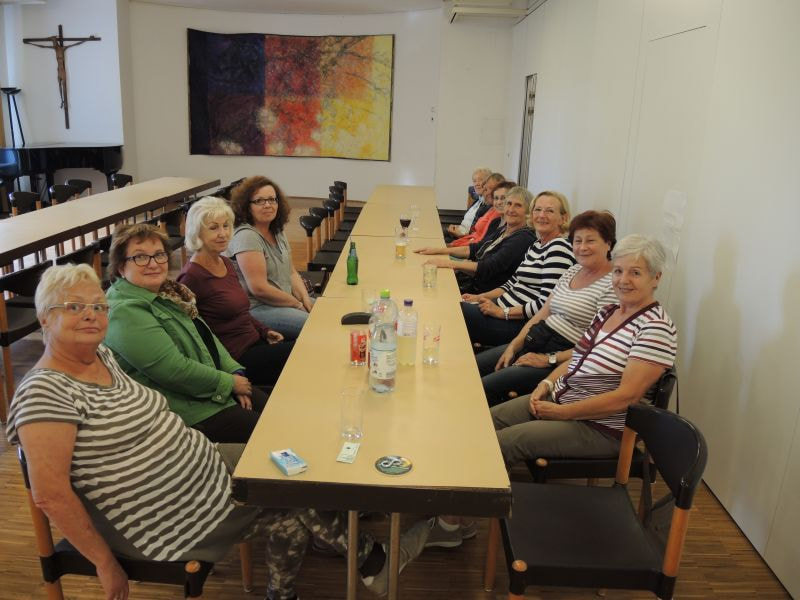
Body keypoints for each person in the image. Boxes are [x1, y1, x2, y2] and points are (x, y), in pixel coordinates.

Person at [5, 263, 430, 600]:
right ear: (44, 318)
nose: (91, 315)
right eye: (74, 307)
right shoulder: (45, 392)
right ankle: (373, 563)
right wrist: (103, 562)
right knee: (293, 496)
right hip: (165, 515)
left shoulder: (102, 357)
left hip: (202, 468)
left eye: (99, 306)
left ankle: (312, 573)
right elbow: (50, 494)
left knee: (302, 461)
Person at [491, 234, 677, 467]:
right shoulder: (607, 312)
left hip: (600, 428)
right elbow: (577, 358)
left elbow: (627, 397)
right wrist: (546, 384)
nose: (623, 280)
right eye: (618, 271)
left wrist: (563, 413)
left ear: (656, 277)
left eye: (635, 273)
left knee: (498, 444)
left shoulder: (655, 328)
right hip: (562, 400)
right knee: (483, 423)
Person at [104, 223, 264, 443]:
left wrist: (234, 373)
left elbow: (206, 337)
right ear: (121, 266)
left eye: (159, 255)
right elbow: (172, 370)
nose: (153, 264)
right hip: (185, 411)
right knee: (272, 434)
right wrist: (228, 383)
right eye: (140, 257)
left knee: (279, 413)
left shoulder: (169, 292)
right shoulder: (124, 311)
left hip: (211, 389)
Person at [476, 211, 618, 405]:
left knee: (481, 388)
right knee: (472, 367)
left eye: (590, 241)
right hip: (537, 339)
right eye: (577, 241)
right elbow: (542, 314)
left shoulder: (612, 285)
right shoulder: (573, 271)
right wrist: (514, 346)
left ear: (608, 243)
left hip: (561, 357)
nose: (582, 247)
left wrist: (549, 359)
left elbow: (597, 345)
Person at [178, 196, 294, 387]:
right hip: (236, 358)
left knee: (307, 343)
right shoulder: (191, 276)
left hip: (255, 341)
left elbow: (241, 311)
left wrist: (264, 331)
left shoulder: (224, 262)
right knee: (305, 350)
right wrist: (227, 376)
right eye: (213, 228)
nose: (223, 233)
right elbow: (189, 335)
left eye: (226, 226)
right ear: (196, 232)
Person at [460, 190, 575, 346]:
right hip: (499, 310)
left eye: (549, 211)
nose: (541, 215)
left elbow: (546, 305)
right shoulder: (536, 245)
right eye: (537, 210)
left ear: (564, 218)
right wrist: (480, 297)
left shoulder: (558, 248)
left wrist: (502, 313)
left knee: (454, 311)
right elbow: (511, 284)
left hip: (516, 323)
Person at [226, 175, 314, 340]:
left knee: (330, 312)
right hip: (260, 308)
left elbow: (291, 272)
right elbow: (259, 289)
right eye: (259, 201)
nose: (268, 205)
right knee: (316, 326)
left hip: (285, 300)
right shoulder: (247, 236)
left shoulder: (276, 230)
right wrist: (297, 304)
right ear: (246, 206)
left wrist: (305, 299)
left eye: (272, 199)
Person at [417, 186, 537, 294]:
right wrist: (438, 250)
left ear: (528, 212)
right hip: (473, 283)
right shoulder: (504, 229)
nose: (511, 209)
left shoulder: (523, 238)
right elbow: (475, 249)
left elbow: (488, 267)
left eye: (518, 205)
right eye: (509, 204)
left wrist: (449, 263)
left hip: (484, 294)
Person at [448, 180, 513, 248]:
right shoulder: (496, 221)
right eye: (496, 198)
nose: (499, 202)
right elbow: (482, 244)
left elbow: (481, 244)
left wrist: (453, 245)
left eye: (503, 198)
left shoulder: (503, 222)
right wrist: (453, 245)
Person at [444, 170, 500, 241]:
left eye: (480, 180)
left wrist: (461, 236)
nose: (477, 184)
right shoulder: (476, 202)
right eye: (474, 181)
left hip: (466, 239)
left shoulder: (488, 206)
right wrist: (456, 228)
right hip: (461, 234)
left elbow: (477, 234)